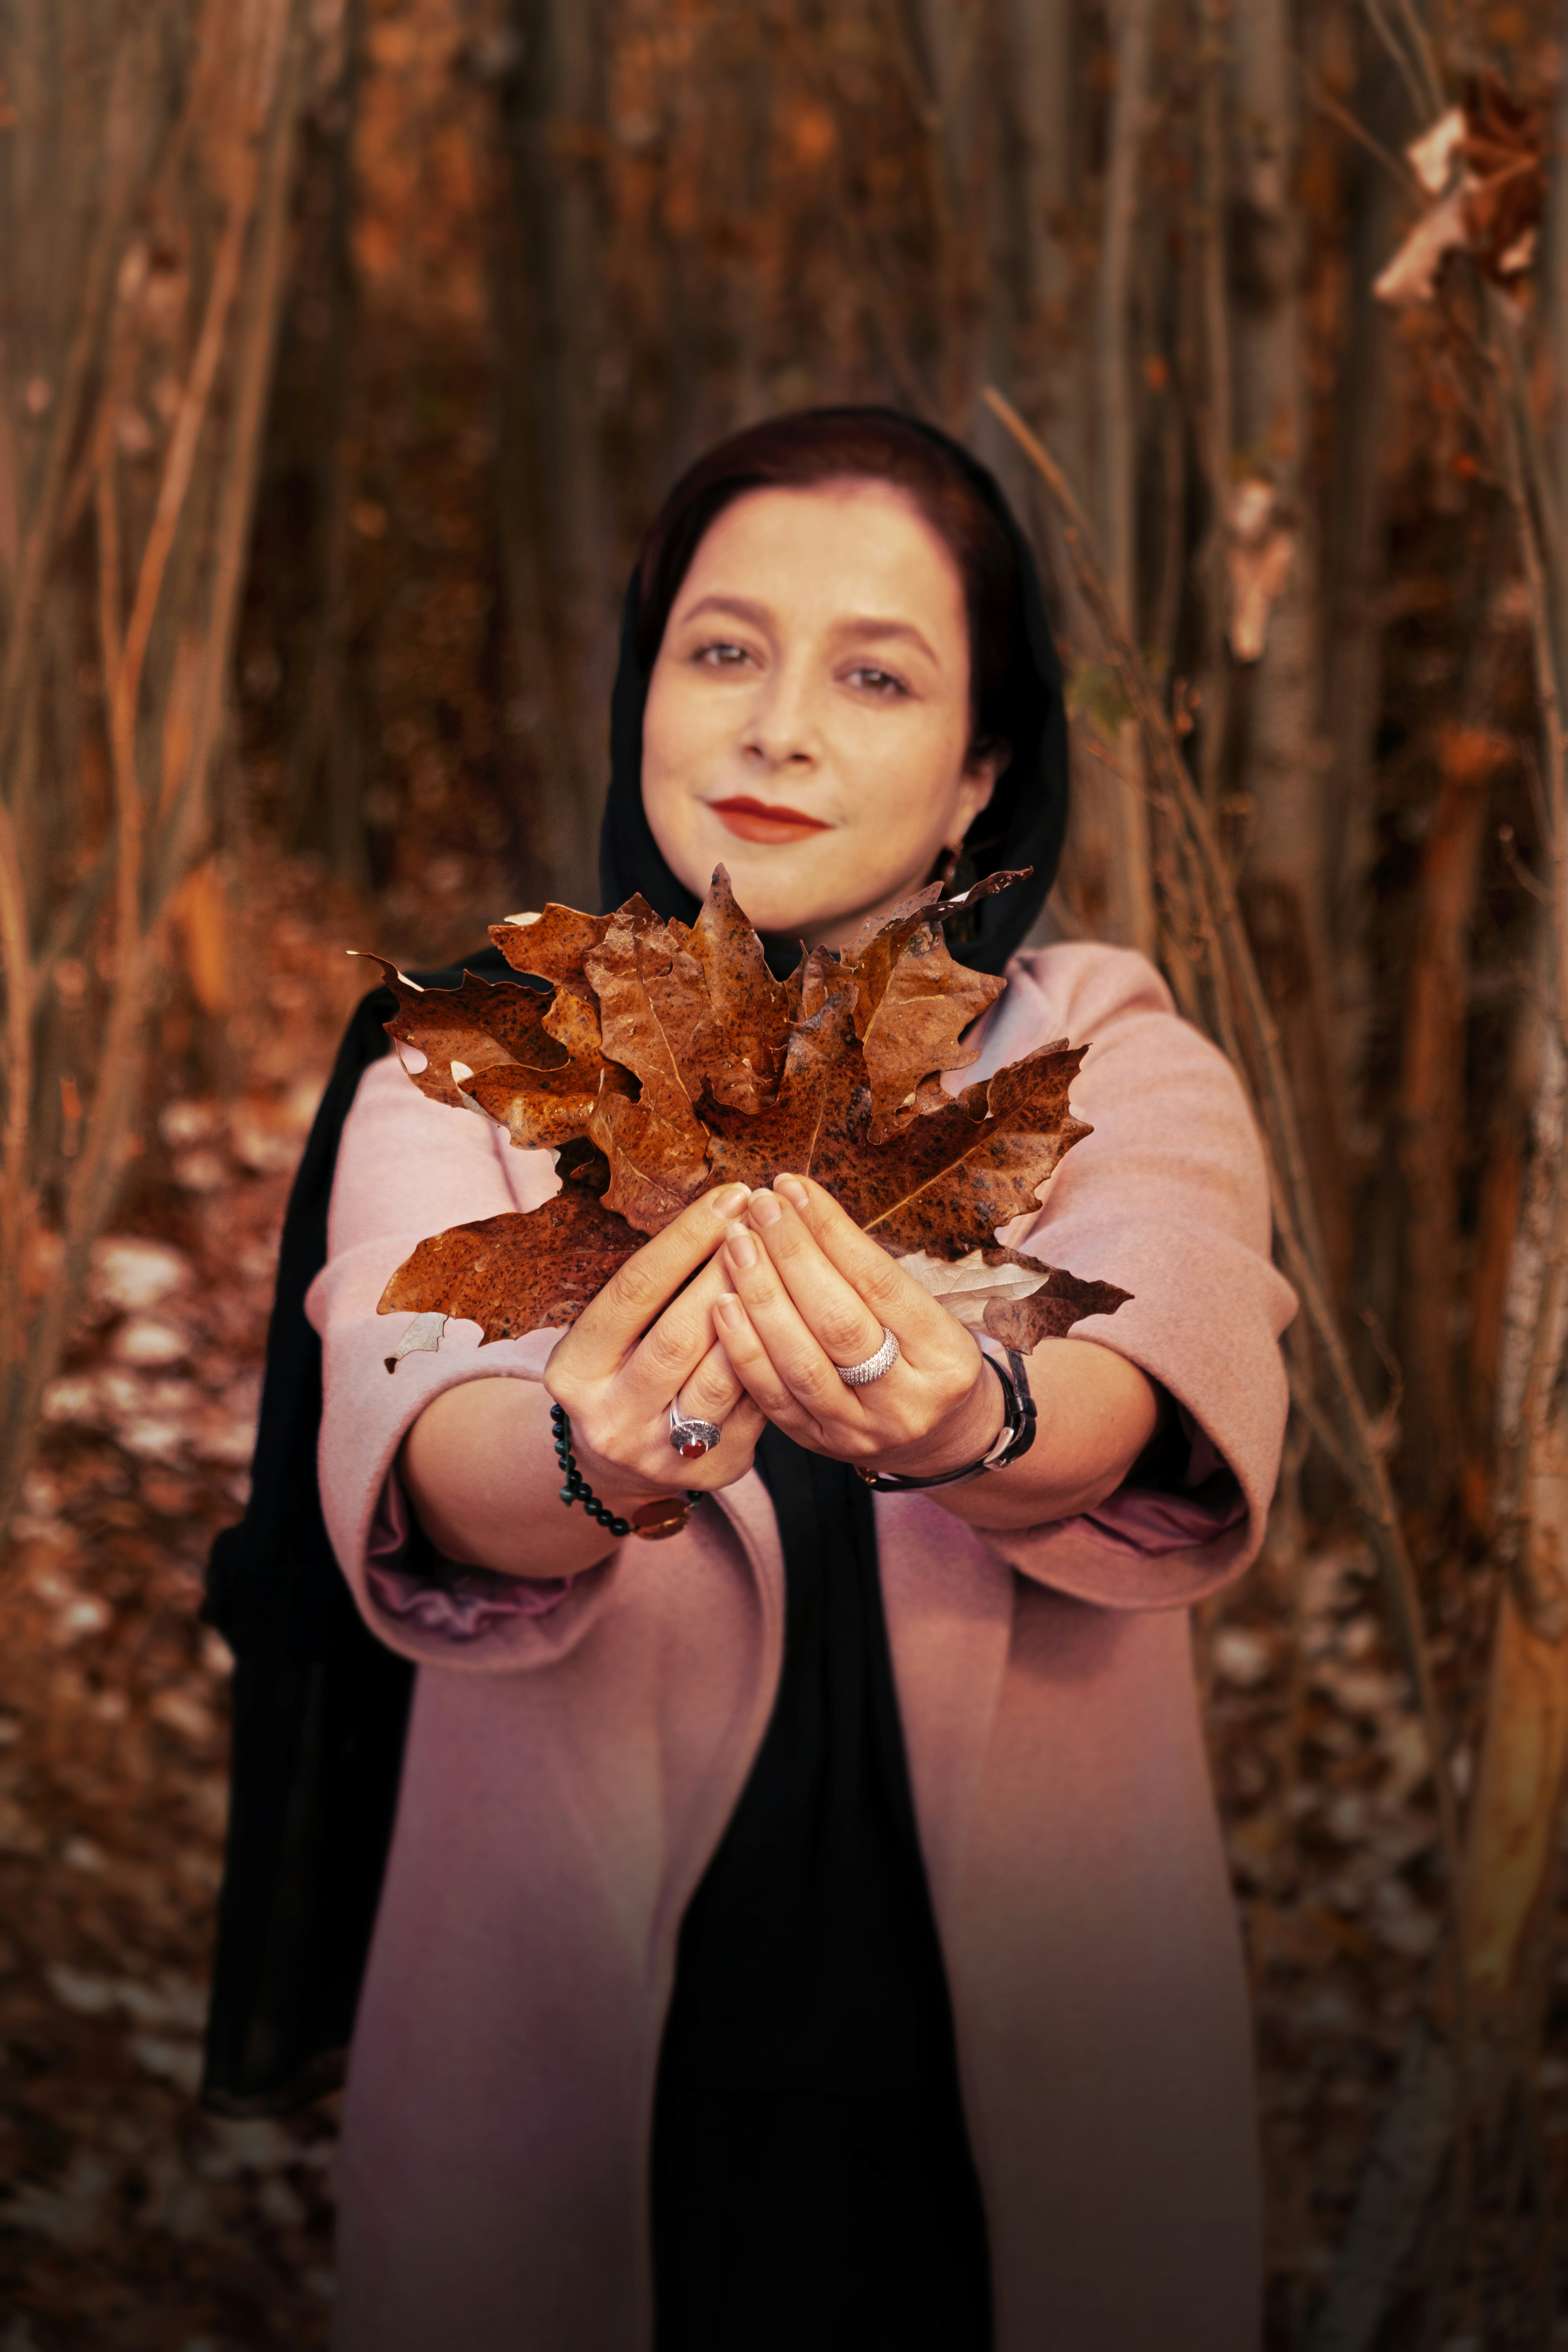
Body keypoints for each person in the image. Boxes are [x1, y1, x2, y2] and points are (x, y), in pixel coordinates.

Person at [258, 410, 1293, 2350]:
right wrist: (586, 1454)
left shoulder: (1111, 1063)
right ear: (643, 688)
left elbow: (1154, 1368)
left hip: (1015, 2113)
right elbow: (421, 1439)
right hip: (589, 2084)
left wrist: (969, 1422)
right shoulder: (472, 1063)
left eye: (873, 673)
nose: (777, 726)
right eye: (722, 648)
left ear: (982, 768)